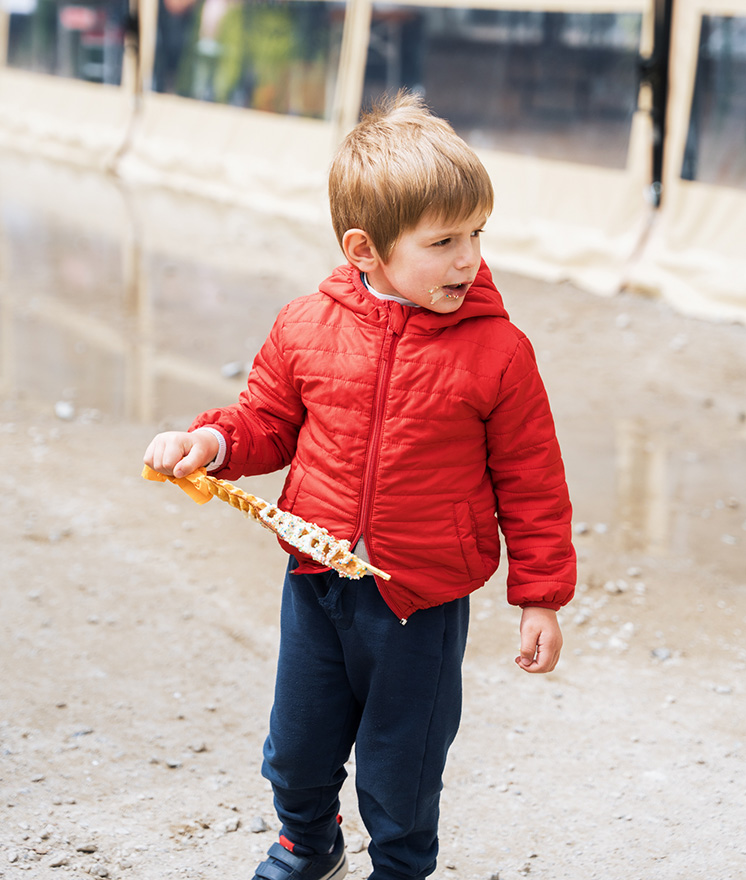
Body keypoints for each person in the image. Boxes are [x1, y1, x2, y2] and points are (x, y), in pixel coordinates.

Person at [144, 91, 576, 880]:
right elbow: (265, 422)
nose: (467, 259)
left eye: (477, 234)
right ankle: (307, 841)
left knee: (401, 764)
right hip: (316, 582)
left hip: (422, 598)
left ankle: (402, 866)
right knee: (298, 742)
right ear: (364, 249)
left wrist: (539, 595)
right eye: (443, 240)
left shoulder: (500, 353)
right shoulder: (306, 325)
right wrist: (208, 441)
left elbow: (533, 480)